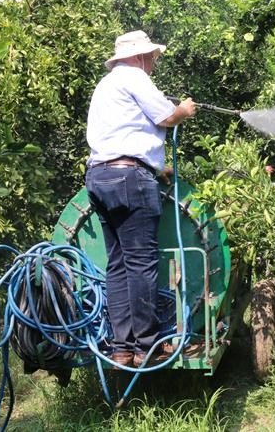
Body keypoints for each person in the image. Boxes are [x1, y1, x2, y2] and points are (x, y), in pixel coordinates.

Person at [85, 30, 197, 368]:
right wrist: (184, 110)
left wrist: (155, 167)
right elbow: (166, 117)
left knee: (117, 265)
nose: (155, 63)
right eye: (153, 57)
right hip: (129, 178)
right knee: (141, 264)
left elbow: (124, 134)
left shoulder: (105, 85)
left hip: (100, 176)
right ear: (139, 56)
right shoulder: (134, 76)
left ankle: (122, 347)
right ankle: (147, 346)